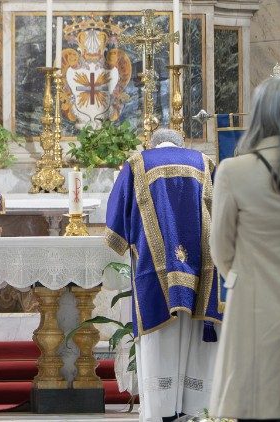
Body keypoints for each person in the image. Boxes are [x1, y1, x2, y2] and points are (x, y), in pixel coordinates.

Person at [209, 75, 280, 422]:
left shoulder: (234, 171)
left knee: (257, 410)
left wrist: (243, 277)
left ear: (258, 117)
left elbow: (221, 248)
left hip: (253, 315)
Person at [105, 128, 223, 422]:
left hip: (154, 273)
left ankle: (159, 411)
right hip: (200, 271)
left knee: (159, 341)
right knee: (193, 339)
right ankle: (194, 409)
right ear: (181, 144)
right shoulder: (205, 163)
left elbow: (116, 228)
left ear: (152, 144)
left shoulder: (136, 164)